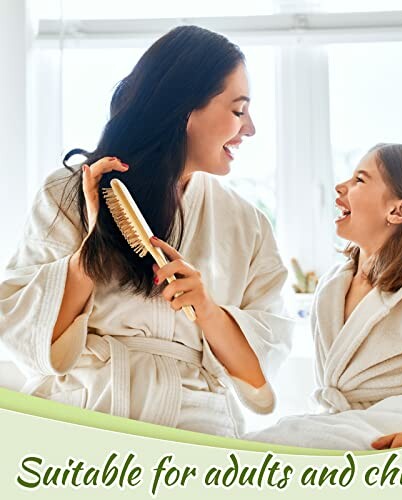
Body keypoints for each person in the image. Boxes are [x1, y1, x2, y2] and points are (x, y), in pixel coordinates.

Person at [0, 25, 294, 438]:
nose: (250, 129)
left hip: (196, 422)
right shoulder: (69, 193)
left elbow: (259, 377)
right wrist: (92, 256)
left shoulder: (248, 223)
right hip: (88, 409)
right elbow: (25, 335)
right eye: (238, 110)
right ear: (184, 108)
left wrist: (208, 310)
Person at [244, 143, 402, 450]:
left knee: (283, 442)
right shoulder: (330, 290)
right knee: (278, 439)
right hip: (348, 424)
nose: (340, 187)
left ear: (398, 210)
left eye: (359, 180)